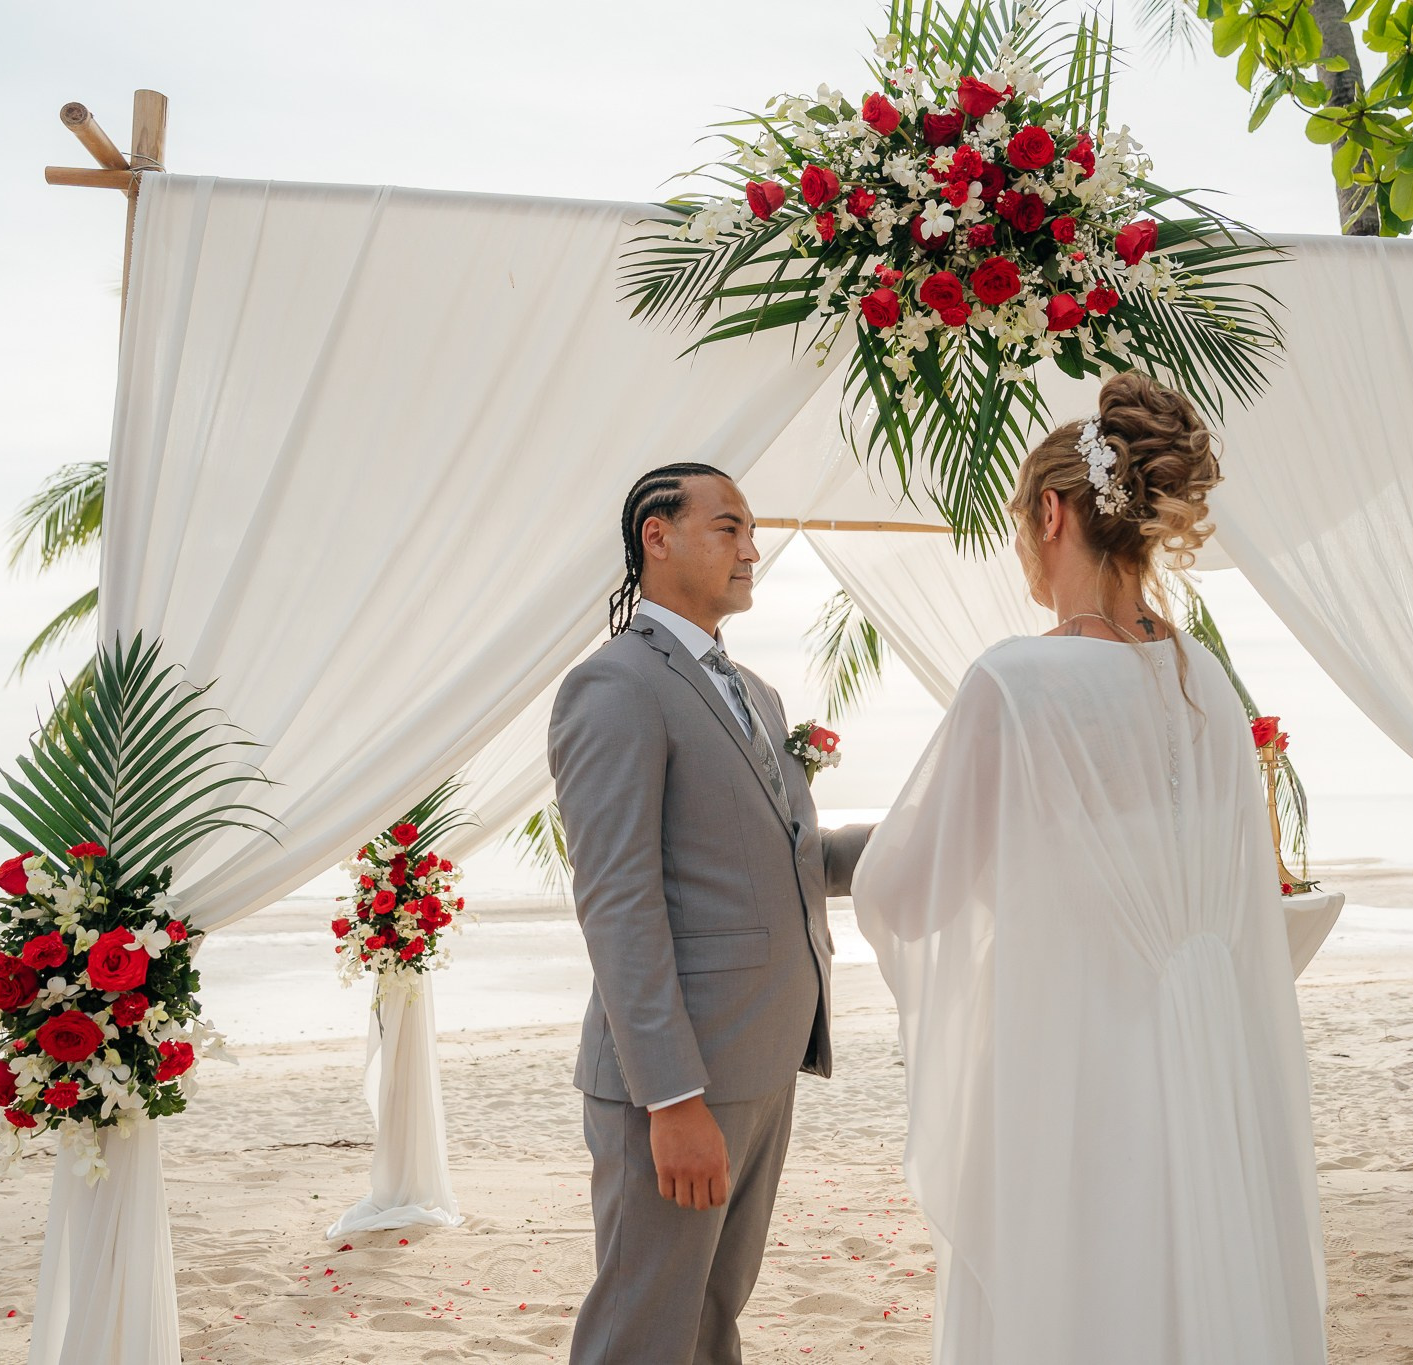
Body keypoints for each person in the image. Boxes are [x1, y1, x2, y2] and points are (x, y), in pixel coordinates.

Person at [852, 373, 1328, 1363]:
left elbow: (902, 894)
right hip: (1207, 1071)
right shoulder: (1207, 682)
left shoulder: (1015, 681)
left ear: (1052, 514)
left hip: (1069, 1074)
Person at [548, 463, 873, 1365]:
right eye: (729, 526)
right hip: (680, 1078)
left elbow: (793, 860)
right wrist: (672, 1098)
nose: (751, 548)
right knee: (643, 1330)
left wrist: (930, 834)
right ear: (656, 536)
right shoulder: (615, 685)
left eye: (753, 530)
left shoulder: (755, 693)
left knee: (710, 1317)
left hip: (762, 1062)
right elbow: (618, 901)